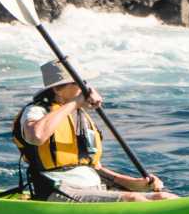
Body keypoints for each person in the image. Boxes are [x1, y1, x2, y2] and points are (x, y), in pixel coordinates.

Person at [12, 60, 178, 202]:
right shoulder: (37, 110)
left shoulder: (80, 116)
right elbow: (36, 136)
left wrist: (134, 183)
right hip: (56, 190)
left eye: (84, 82)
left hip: (94, 188)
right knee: (134, 200)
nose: (85, 88)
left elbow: (93, 167)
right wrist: (75, 103)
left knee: (165, 197)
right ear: (57, 89)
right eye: (77, 83)